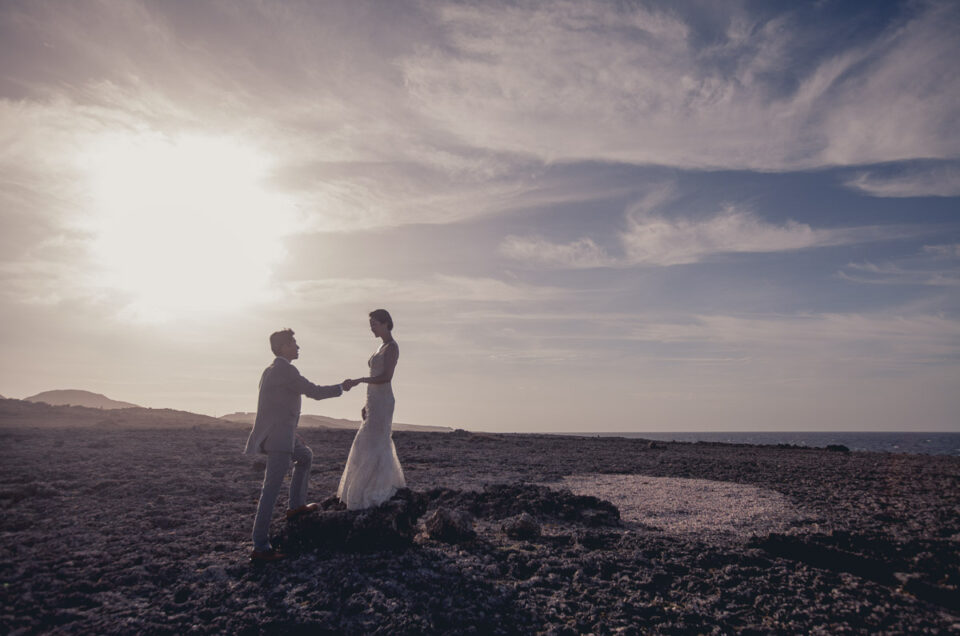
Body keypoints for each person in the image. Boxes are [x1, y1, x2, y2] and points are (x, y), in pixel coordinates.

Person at [244, 328, 352, 562]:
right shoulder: (285, 370)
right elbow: (314, 392)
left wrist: (291, 432)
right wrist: (342, 387)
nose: (298, 347)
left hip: (283, 433)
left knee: (305, 457)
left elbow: (276, 406)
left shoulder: (271, 370)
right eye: (294, 343)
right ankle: (261, 547)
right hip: (279, 439)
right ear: (282, 347)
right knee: (269, 492)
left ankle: (295, 506)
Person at [337, 309, 406, 510]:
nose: (371, 327)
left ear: (386, 323)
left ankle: (379, 488)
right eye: (371, 324)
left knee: (377, 441)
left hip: (383, 400)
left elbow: (386, 377)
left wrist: (360, 380)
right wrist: (366, 403)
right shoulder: (380, 346)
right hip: (374, 400)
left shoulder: (392, 347)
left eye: (374, 323)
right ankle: (363, 487)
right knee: (366, 442)